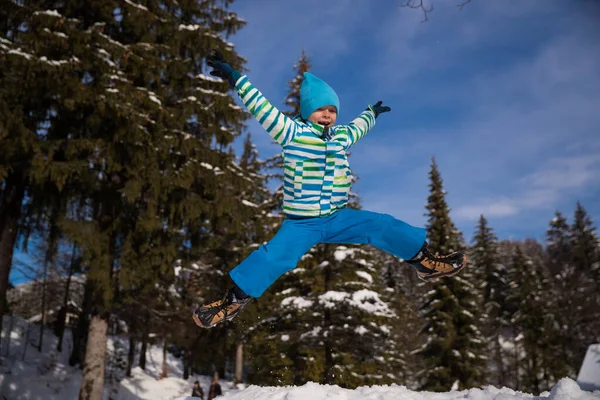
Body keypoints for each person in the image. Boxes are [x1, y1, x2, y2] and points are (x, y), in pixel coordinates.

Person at [193, 50, 467, 329]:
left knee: (382, 224)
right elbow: (262, 107)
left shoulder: (341, 137)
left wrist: (370, 114)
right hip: (302, 223)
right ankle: (232, 302)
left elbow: (358, 128)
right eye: (321, 109)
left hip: (338, 217)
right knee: (274, 257)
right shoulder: (291, 132)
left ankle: (424, 262)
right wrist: (237, 79)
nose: (327, 114)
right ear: (307, 111)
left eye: (332, 110)